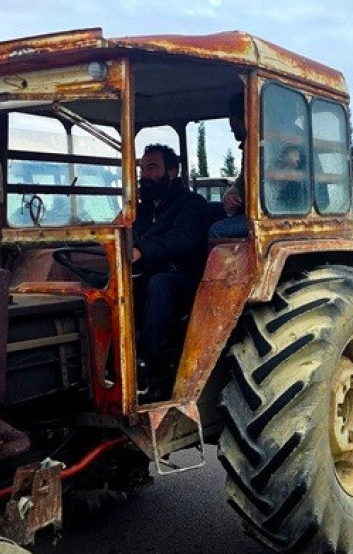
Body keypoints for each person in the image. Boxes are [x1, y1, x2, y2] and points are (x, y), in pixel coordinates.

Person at [132, 143, 211, 400]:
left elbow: (184, 238)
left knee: (159, 284)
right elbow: (126, 233)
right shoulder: (140, 210)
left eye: (152, 167)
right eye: (142, 168)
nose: (145, 174)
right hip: (146, 274)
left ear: (172, 172)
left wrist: (141, 250)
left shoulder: (191, 204)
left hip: (187, 279)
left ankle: (150, 366)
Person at [208, 93, 249, 239]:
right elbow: (245, 176)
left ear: (234, 120)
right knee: (208, 210)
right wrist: (233, 192)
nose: (231, 130)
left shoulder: (278, 140)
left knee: (218, 230)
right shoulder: (249, 144)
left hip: (280, 216)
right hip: (256, 211)